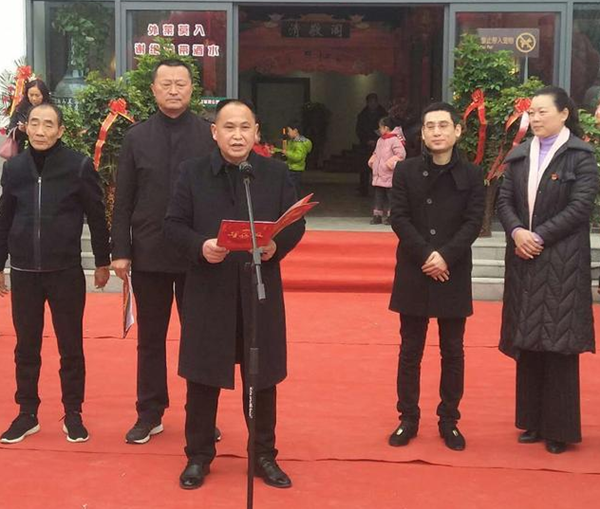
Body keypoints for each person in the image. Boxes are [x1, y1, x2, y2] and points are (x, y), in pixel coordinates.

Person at [164, 99, 305, 490]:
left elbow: (295, 222)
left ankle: (263, 455)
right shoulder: (192, 173)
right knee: (202, 377)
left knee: (262, 377)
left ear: (256, 132)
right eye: (229, 127)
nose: (237, 135)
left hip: (259, 291)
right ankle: (198, 455)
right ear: (215, 132)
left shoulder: (275, 173)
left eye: (245, 127)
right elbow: (172, 226)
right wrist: (201, 246)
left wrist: (277, 246)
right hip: (209, 291)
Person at [110, 58, 217, 445]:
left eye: (180, 83)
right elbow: (123, 199)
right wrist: (120, 250)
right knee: (151, 339)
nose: (173, 90)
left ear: (192, 89)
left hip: (198, 255)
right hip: (150, 253)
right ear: (154, 89)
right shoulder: (136, 137)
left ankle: (200, 416)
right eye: (166, 84)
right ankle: (149, 412)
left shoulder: (209, 135)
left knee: (199, 339)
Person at [0, 103, 110, 444]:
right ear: (26, 127)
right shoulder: (14, 168)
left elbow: (96, 214)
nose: (41, 130)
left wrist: (103, 261)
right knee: (26, 346)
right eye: (35, 123)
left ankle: (73, 413)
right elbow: (4, 218)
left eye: (48, 124)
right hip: (24, 272)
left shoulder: (78, 166)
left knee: (70, 346)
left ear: (60, 130)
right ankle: (27, 413)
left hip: (65, 272)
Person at [496, 86, 598, 454]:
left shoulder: (581, 156)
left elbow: (580, 207)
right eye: (532, 113)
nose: (535, 118)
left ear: (564, 113)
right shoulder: (520, 154)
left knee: (558, 343)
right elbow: (504, 200)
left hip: (561, 261)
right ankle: (532, 422)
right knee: (528, 339)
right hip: (524, 257)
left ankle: (559, 429)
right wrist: (517, 232)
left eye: (542, 112)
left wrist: (538, 236)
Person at [388, 102, 485, 451]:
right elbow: (399, 217)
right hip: (415, 267)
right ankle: (408, 418)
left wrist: (445, 256)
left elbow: (474, 221)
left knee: (453, 350)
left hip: (452, 270)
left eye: (444, 125)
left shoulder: (472, 174)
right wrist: (427, 254)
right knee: (410, 350)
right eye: (430, 126)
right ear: (423, 134)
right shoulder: (405, 171)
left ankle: (449, 420)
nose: (437, 132)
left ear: (457, 130)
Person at [368, 116, 406, 225]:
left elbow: (401, 155)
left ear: (386, 128)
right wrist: (372, 160)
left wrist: (390, 163)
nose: (379, 130)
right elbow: (376, 153)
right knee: (378, 196)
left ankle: (391, 216)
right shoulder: (380, 140)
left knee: (391, 196)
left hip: (390, 174)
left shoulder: (395, 140)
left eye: (380, 127)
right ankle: (377, 215)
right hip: (379, 174)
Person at [355, 93, 387, 196]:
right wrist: (367, 140)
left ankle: (381, 190)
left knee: (380, 169)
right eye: (370, 102)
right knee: (364, 168)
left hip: (380, 145)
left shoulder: (384, 115)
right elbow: (359, 130)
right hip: (365, 145)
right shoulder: (362, 115)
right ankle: (363, 189)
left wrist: (377, 140)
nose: (372, 104)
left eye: (374, 102)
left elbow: (387, 129)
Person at [7, 79, 52, 153]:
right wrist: (19, 130)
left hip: (44, 150)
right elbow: (10, 131)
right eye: (31, 95)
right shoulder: (20, 109)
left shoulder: (51, 111)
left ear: (44, 95)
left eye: (37, 95)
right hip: (22, 151)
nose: (34, 98)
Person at [283, 120, 312, 198]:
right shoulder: (293, 141)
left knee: (294, 190)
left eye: (289, 131)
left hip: (295, 169)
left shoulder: (299, 144)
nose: (288, 133)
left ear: (295, 130)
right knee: (293, 189)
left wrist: (287, 153)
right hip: (293, 167)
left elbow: (298, 157)